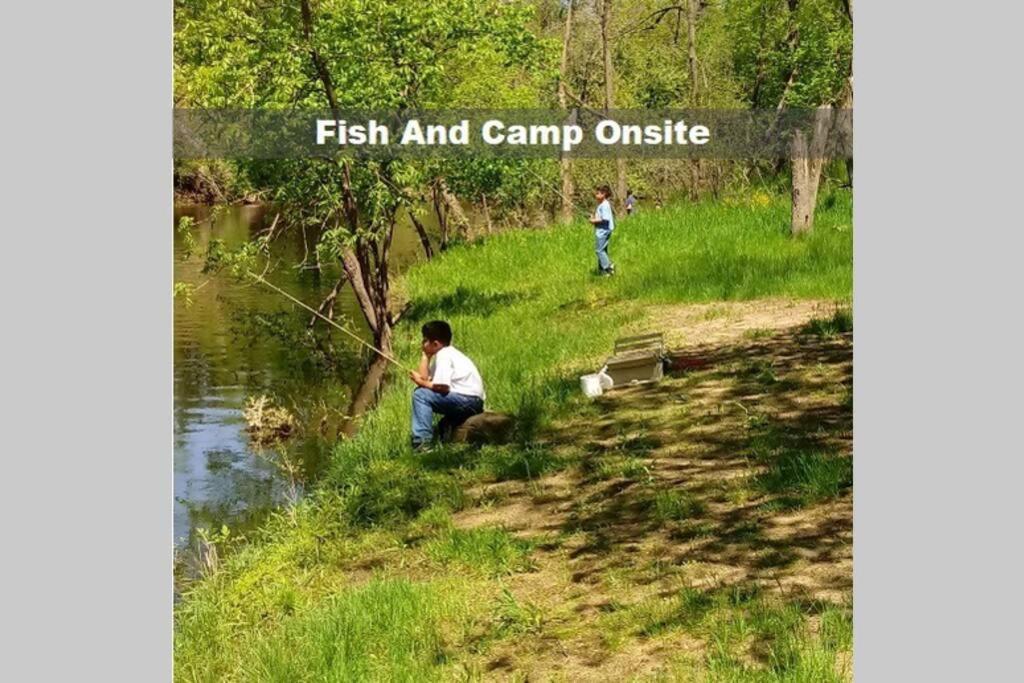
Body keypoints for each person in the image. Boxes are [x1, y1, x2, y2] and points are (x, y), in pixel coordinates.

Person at [408, 320, 486, 449]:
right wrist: (425, 357)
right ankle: (446, 441)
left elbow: (442, 387)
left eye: (425, 340)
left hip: (468, 400)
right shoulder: (447, 353)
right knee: (443, 427)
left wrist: (420, 382)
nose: (422, 343)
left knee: (420, 395)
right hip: (472, 401)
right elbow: (426, 379)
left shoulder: (444, 355)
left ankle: (422, 444)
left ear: (435, 343)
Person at [589, 184, 616, 276]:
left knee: (599, 250)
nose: (595, 195)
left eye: (597, 193)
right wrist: (594, 217)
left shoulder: (604, 205)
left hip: (603, 231)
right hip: (603, 230)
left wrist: (593, 221)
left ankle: (609, 266)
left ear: (603, 194)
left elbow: (604, 219)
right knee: (603, 250)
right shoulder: (603, 204)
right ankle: (603, 272)